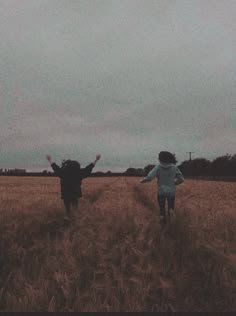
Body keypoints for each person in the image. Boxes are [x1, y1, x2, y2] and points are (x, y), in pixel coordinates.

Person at [46, 154, 101, 218]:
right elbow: (88, 168)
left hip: (66, 193)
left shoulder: (64, 172)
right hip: (75, 193)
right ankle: (75, 220)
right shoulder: (79, 173)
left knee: (67, 208)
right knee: (75, 206)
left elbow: (56, 168)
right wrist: (96, 160)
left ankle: (67, 217)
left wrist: (50, 160)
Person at [140, 151, 184, 226]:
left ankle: (162, 223)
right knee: (171, 208)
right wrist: (173, 184)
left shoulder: (158, 167)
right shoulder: (174, 167)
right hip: (171, 192)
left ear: (161, 158)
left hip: (161, 192)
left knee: (162, 209)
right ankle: (171, 220)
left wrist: (142, 181)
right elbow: (181, 179)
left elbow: (150, 177)